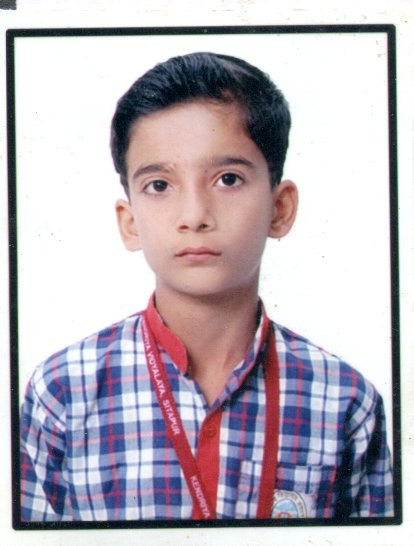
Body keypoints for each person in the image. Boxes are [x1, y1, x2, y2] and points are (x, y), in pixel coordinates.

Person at [20, 51, 394, 521]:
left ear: (280, 208)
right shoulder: (62, 393)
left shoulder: (345, 401)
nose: (194, 215)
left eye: (227, 179)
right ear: (129, 221)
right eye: (160, 185)